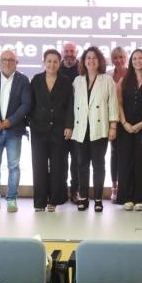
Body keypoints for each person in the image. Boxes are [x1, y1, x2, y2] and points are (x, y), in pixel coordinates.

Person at [0, 49, 32, 213]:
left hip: (14, 131)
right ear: (0, 62)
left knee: (14, 167)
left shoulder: (23, 80)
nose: (8, 63)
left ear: (17, 63)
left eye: (11, 60)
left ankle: (11, 199)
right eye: (4, 59)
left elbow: (26, 104)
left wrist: (10, 121)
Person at [70, 46, 119, 212]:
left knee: (99, 165)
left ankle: (98, 199)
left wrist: (113, 126)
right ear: (84, 61)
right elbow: (73, 106)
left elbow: (112, 104)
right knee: (81, 164)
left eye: (94, 58)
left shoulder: (107, 80)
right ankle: (83, 197)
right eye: (88, 58)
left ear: (99, 61)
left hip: (100, 128)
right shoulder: (77, 80)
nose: (90, 60)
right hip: (81, 129)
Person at [30, 49, 74, 212]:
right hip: (38, 130)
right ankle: (40, 201)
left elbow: (70, 105)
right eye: (49, 61)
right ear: (44, 62)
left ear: (59, 63)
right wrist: (30, 123)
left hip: (59, 130)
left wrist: (69, 126)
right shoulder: (36, 80)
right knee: (39, 165)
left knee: (58, 166)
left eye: (55, 61)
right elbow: (30, 103)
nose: (52, 64)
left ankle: (55, 199)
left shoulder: (66, 81)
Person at [116, 49, 142, 211]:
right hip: (125, 128)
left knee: (141, 162)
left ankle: (140, 198)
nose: (137, 61)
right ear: (131, 61)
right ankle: (126, 197)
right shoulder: (124, 81)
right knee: (125, 162)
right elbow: (119, 103)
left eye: (140, 58)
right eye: (134, 58)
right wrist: (124, 123)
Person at [60, 41, 81, 202]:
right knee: (59, 159)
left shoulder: (83, 69)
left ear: (76, 52)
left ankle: (75, 191)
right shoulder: (54, 68)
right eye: (66, 51)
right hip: (59, 123)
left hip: (79, 122)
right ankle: (60, 190)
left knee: (77, 160)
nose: (69, 54)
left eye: (71, 51)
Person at [109, 45, 128, 202]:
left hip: (129, 120)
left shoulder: (133, 74)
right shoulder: (107, 75)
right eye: (115, 57)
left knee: (126, 154)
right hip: (112, 120)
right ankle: (114, 187)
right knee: (114, 153)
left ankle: (125, 187)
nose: (119, 60)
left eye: (121, 57)